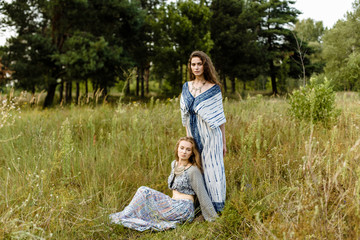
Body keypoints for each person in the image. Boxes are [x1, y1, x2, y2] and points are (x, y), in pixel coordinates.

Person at [109, 137, 218, 232]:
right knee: (145, 201)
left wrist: (213, 219)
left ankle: (123, 216)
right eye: (182, 148)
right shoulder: (174, 164)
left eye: (188, 149)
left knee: (143, 191)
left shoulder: (193, 170)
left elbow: (202, 195)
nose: (184, 151)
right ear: (177, 149)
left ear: (192, 153)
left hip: (183, 208)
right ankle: (125, 215)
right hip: (172, 203)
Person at [180, 50, 226, 212]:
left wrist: (224, 144)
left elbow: (220, 119)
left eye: (199, 64)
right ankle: (198, 206)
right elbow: (185, 118)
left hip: (211, 136)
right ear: (190, 67)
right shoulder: (186, 87)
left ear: (205, 65)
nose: (196, 67)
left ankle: (216, 207)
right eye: (193, 64)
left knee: (212, 169)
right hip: (192, 134)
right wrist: (187, 140)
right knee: (197, 169)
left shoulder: (214, 89)